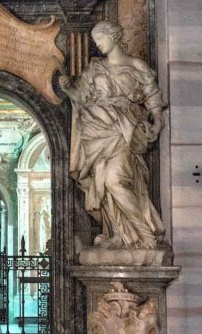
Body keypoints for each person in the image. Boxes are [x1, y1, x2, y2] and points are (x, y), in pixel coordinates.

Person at [58, 21, 165, 249]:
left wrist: (157, 121)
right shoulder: (95, 68)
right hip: (96, 130)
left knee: (115, 181)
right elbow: (83, 96)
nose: (98, 44)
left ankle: (145, 234)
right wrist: (69, 88)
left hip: (124, 129)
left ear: (114, 36)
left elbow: (152, 95)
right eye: (96, 41)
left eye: (101, 38)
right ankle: (118, 234)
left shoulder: (135, 65)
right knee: (102, 185)